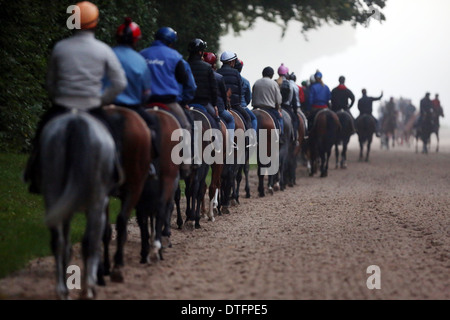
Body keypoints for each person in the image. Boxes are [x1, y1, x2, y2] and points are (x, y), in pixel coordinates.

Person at [24, 1, 127, 194]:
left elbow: (50, 82)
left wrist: (58, 97)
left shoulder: (60, 48)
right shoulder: (103, 49)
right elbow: (119, 83)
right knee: (113, 135)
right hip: (92, 106)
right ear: (95, 22)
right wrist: (102, 100)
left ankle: (34, 172)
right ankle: (115, 173)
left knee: (41, 132)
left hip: (62, 105)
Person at [107, 17, 159, 177]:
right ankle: (150, 165)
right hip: (132, 107)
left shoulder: (107, 54)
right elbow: (146, 93)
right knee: (153, 127)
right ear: (136, 40)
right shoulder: (140, 60)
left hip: (105, 105)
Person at [140, 27, 191, 133]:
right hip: (168, 102)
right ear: (171, 42)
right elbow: (184, 79)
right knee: (186, 127)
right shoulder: (175, 56)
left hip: (145, 101)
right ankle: (187, 150)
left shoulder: (142, 54)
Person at [203, 51, 237, 150]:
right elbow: (222, 95)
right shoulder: (218, 76)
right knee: (231, 119)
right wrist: (225, 106)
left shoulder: (218, 73)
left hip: (197, 104)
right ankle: (230, 142)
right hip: (215, 106)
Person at [217, 51, 253, 132]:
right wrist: (238, 102)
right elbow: (239, 89)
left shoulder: (217, 72)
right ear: (231, 62)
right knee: (248, 118)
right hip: (235, 105)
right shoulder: (236, 73)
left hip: (221, 105)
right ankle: (250, 140)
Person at [252, 67, 283, 135]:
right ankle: (281, 136)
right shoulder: (274, 83)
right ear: (271, 75)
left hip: (256, 108)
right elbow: (278, 100)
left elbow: (253, 97)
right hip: (269, 109)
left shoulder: (256, 82)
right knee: (280, 119)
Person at [234, 58, 257, 146]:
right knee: (253, 118)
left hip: (226, 105)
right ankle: (252, 139)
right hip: (241, 106)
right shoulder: (245, 81)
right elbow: (249, 97)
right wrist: (244, 104)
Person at [277, 63, 298, 140]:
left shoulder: (275, 82)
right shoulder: (291, 85)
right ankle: (294, 137)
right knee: (295, 120)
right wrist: (295, 111)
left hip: (276, 108)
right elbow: (294, 100)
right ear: (287, 74)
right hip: (287, 108)